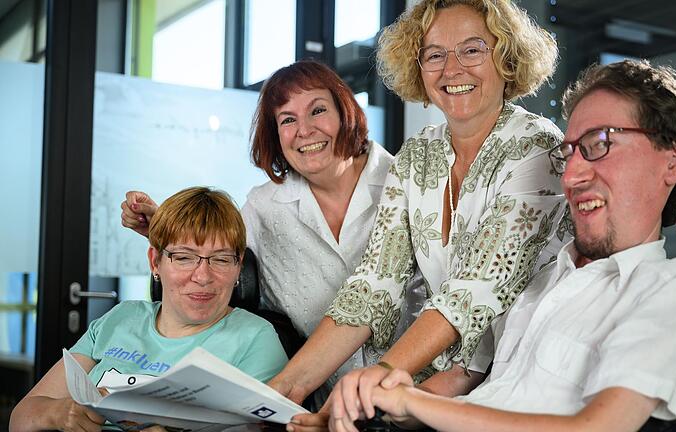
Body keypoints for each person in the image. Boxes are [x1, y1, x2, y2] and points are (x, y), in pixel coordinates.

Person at [332, 59, 676, 432]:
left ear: (674, 162)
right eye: (568, 152)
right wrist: (396, 400)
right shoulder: (541, 281)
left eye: (599, 143)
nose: (571, 174)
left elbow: (597, 427)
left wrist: (413, 404)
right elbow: (484, 398)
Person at [272, 0, 568, 427]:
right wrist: (287, 386)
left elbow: (473, 292)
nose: (452, 69)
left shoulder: (538, 147)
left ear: (506, 57)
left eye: (472, 50)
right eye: (434, 55)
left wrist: (370, 388)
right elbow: (374, 283)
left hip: (529, 376)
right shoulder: (416, 156)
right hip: (450, 374)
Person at [119, 61, 419, 406]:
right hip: (322, 405)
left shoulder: (409, 183)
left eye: (317, 110)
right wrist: (161, 227)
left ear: (345, 113)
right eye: (287, 119)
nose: (304, 130)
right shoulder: (264, 207)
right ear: (275, 134)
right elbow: (214, 258)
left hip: (424, 396)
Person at [10, 186, 288, 432]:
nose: (203, 276)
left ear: (239, 266)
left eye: (221, 259)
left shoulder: (255, 338)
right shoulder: (121, 318)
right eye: (183, 258)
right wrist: (60, 413)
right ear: (155, 262)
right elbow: (20, 418)